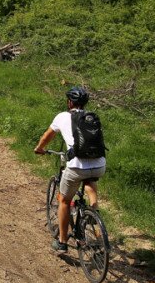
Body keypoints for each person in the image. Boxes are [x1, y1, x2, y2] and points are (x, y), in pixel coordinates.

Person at [34, 86, 105, 253]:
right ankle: (94, 213)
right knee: (90, 180)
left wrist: (39, 148)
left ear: (69, 102)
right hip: (99, 164)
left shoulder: (62, 116)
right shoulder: (91, 117)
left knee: (65, 201)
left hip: (76, 167)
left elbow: (47, 136)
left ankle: (62, 242)